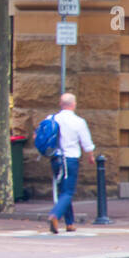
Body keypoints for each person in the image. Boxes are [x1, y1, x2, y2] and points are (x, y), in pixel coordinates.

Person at [49, 92, 96, 234]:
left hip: (55, 158)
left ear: (60, 104)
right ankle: (55, 215)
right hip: (70, 159)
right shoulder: (78, 122)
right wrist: (91, 156)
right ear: (74, 105)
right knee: (68, 191)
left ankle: (69, 223)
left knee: (63, 191)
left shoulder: (52, 118)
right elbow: (86, 143)